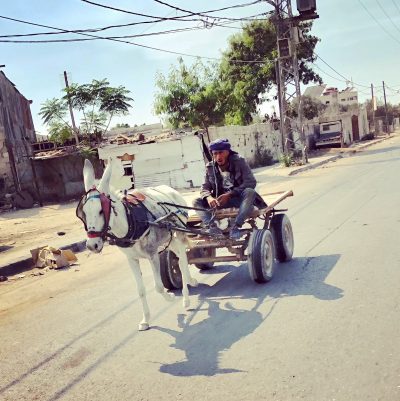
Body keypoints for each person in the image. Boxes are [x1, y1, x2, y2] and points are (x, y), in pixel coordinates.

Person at [193, 138, 265, 240]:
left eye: (221, 153)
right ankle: (213, 228)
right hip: (220, 201)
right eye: (215, 154)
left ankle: (235, 227)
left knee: (250, 192)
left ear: (227, 152)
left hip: (239, 200)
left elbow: (251, 182)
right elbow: (204, 187)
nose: (218, 157)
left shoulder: (239, 161)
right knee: (196, 201)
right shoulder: (210, 167)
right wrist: (209, 198)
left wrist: (230, 194)